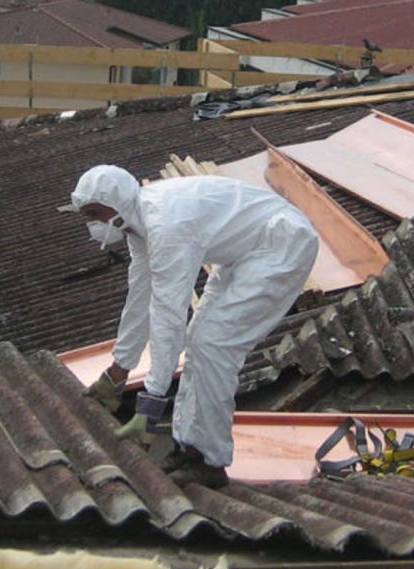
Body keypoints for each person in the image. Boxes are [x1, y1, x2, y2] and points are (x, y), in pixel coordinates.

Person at [72, 165, 318, 488]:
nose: (92, 225)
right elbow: (140, 298)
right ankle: (188, 447)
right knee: (198, 341)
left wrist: (152, 399)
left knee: (212, 345)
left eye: (95, 214)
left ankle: (207, 460)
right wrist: (117, 372)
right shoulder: (139, 225)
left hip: (282, 243)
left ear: (116, 202)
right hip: (243, 254)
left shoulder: (166, 225)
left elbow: (168, 312)